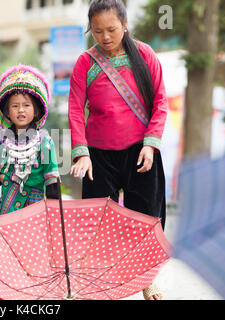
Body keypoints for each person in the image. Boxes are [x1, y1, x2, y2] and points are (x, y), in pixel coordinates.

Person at [68, 0, 168, 300]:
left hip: (141, 151)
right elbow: (75, 109)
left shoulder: (145, 55)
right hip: (98, 155)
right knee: (97, 222)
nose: (105, 37)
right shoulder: (85, 62)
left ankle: (146, 280)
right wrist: (81, 152)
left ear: (125, 25)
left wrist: (151, 145)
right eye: (97, 31)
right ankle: (94, 283)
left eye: (112, 29)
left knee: (145, 217)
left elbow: (160, 103)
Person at [0, 65, 60, 215]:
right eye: (15, 106)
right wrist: (2, 178)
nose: (21, 110)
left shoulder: (44, 141)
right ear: (7, 111)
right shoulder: (1, 140)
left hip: (35, 211)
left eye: (26, 105)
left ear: (36, 110)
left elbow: (52, 178)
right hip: (7, 209)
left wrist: (55, 212)